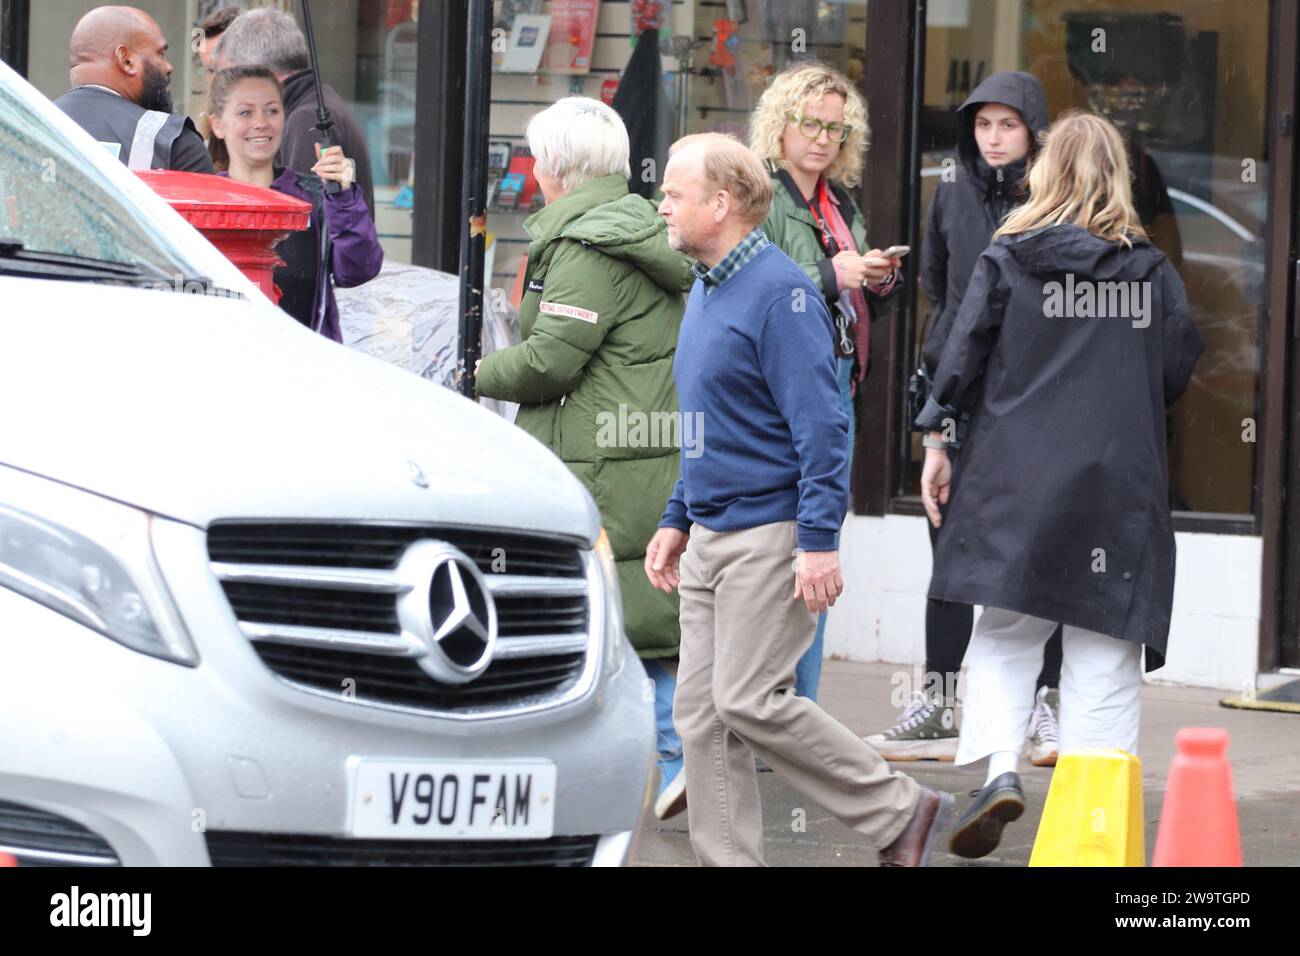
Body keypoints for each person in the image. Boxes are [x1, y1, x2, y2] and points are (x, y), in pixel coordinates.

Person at [645, 132, 952, 867]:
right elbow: (708, 419)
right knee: (701, 717)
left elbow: (822, 430)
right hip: (712, 535)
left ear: (720, 204)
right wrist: (676, 518)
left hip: (769, 533)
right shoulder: (708, 284)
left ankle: (900, 808)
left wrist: (818, 541)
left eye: (674, 194)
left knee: (749, 699)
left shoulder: (782, 295)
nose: (662, 204)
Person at [914, 111, 1203, 858]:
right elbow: (1175, 369)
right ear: (1120, 178)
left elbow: (959, 362)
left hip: (1016, 478)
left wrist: (938, 441)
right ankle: (1090, 830)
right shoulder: (1150, 271)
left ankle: (1000, 773)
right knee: (1105, 648)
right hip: (1117, 487)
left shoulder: (1007, 259)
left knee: (1008, 633)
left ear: (1043, 173)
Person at [473, 98, 695, 821]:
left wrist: (472, 376)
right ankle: (675, 751)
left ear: (559, 169)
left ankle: (675, 752)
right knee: (641, 606)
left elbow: (549, 363)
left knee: (611, 608)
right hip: (642, 440)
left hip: (594, 451)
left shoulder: (583, 244)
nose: (533, 172)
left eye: (538, 158)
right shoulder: (637, 227)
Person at [865, 70, 1063, 765]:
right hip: (954, 393)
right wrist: (934, 414)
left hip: (1031, 397)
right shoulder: (951, 189)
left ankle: (1046, 703)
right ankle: (941, 703)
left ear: (1034, 129)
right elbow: (941, 291)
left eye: (1009, 124)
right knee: (948, 550)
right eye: (984, 124)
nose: (995, 137)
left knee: (1038, 554)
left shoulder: (1055, 197)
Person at [749, 60, 901, 702]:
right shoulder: (762, 194)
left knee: (819, 543)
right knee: (786, 543)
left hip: (836, 379)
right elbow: (752, 290)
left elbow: (854, 295)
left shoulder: (841, 203)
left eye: (835, 128)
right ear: (780, 126)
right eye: (808, 123)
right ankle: (779, 709)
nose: (821, 138)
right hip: (782, 388)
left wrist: (878, 278)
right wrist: (830, 274)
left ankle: (796, 712)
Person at [207, 65, 383, 341]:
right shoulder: (200, 201)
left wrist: (343, 196)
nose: (261, 122)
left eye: (272, 110)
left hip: (304, 370)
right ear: (218, 124)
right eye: (245, 112)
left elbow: (359, 269)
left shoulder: (315, 198)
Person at [215, 7, 375, 218]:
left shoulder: (306, 120)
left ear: (257, 69)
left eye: (233, 74)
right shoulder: (314, 108)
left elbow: (298, 229)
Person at [53, 5, 213, 173]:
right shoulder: (173, 142)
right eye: (160, 54)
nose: (168, 67)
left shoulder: (32, 126)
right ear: (126, 60)